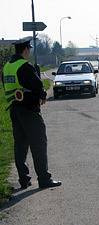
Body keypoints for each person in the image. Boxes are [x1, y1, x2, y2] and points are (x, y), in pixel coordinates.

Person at [2, 37, 62, 189]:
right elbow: (37, 85)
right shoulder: (24, 66)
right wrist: (42, 96)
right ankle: (44, 179)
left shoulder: (7, 66)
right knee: (39, 144)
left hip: (14, 110)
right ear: (26, 49)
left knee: (20, 146)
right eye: (29, 49)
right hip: (29, 110)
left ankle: (24, 180)